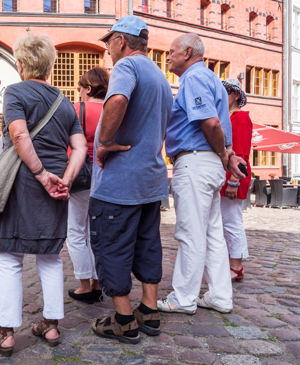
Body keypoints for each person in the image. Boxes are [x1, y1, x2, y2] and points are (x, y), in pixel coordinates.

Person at [0, 33, 87, 356]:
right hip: (56, 187)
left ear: (21, 64)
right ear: (51, 65)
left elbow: (18, 133)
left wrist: (41, 175)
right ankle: (51, 324)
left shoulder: (15, 91)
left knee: (9, 258)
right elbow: (80, 147)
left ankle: (6, 333)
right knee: (50, 256)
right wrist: (65, 179)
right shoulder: (64, 101)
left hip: (21, 184)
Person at [89, 16, 173, 344]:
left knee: (112, 245)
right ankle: (148, 311)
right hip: (151, 179)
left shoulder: (126, 67)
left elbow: (119, 100)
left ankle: (124, 319)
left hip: (120, 182)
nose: (107, 49)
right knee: (148, 243)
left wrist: (105, 141)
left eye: (109, 42)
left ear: (121, 42)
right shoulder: (160, 75)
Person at [157, 33, 247, 315]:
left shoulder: (194, 78)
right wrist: (227, 155)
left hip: (196, 161)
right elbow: (218, 124)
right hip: (207, 163)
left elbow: (210, 123)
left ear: (186, 52)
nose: (168, 56)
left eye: (171, 52)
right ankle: (220, 295)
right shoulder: (212, 80)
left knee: (190, 233)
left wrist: (224, 154)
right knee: (212, 234)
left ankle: (183, 298)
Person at [66, 67, 108, 304]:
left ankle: (84, 285)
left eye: (81, 88)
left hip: (80, 176)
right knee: (97, 234)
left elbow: (65, 143)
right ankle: (98, 282)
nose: (80, 93)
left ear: (88, 88)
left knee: (75, 232)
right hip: (105, 176)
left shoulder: (76, 109)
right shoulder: (113, 109)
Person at [219, 78, 252, 283]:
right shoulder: (227, 117)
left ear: (236, 95)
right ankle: (232, 263)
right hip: (226, 176)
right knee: (226, 221)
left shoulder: (240, 118)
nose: (222, 95)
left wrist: (233, 180)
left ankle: (236, 266)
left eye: (226, 91)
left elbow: (240, 152)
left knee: (232, 221)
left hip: (233, 176)